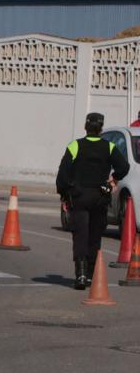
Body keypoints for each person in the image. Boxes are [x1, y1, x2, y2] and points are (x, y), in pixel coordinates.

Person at [57, 112, 129, 289]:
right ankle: (89, 275)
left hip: (79, 196)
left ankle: (80, 275)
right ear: (101, 128)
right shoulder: (109, 147)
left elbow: (63, 174)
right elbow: (123, 167)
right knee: (95, 236)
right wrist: (113, 179)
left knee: (80, 235)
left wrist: (65, 194)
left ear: (85, 127)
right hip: (100, 197)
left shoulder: (75, 146)